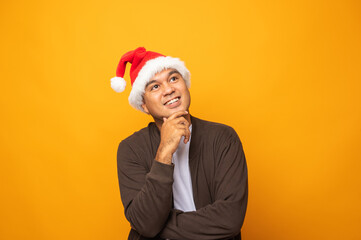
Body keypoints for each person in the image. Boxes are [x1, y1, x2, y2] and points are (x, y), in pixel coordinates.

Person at [111, 47, 248, 240]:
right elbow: (145, 222)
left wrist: (159, 226)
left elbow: (230, 219)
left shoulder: (223, 137)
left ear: (185, 84)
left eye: (174, 78)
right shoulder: (130, 149)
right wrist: (164, 152)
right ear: (143, 104)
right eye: (155, 87)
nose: (169, 89)